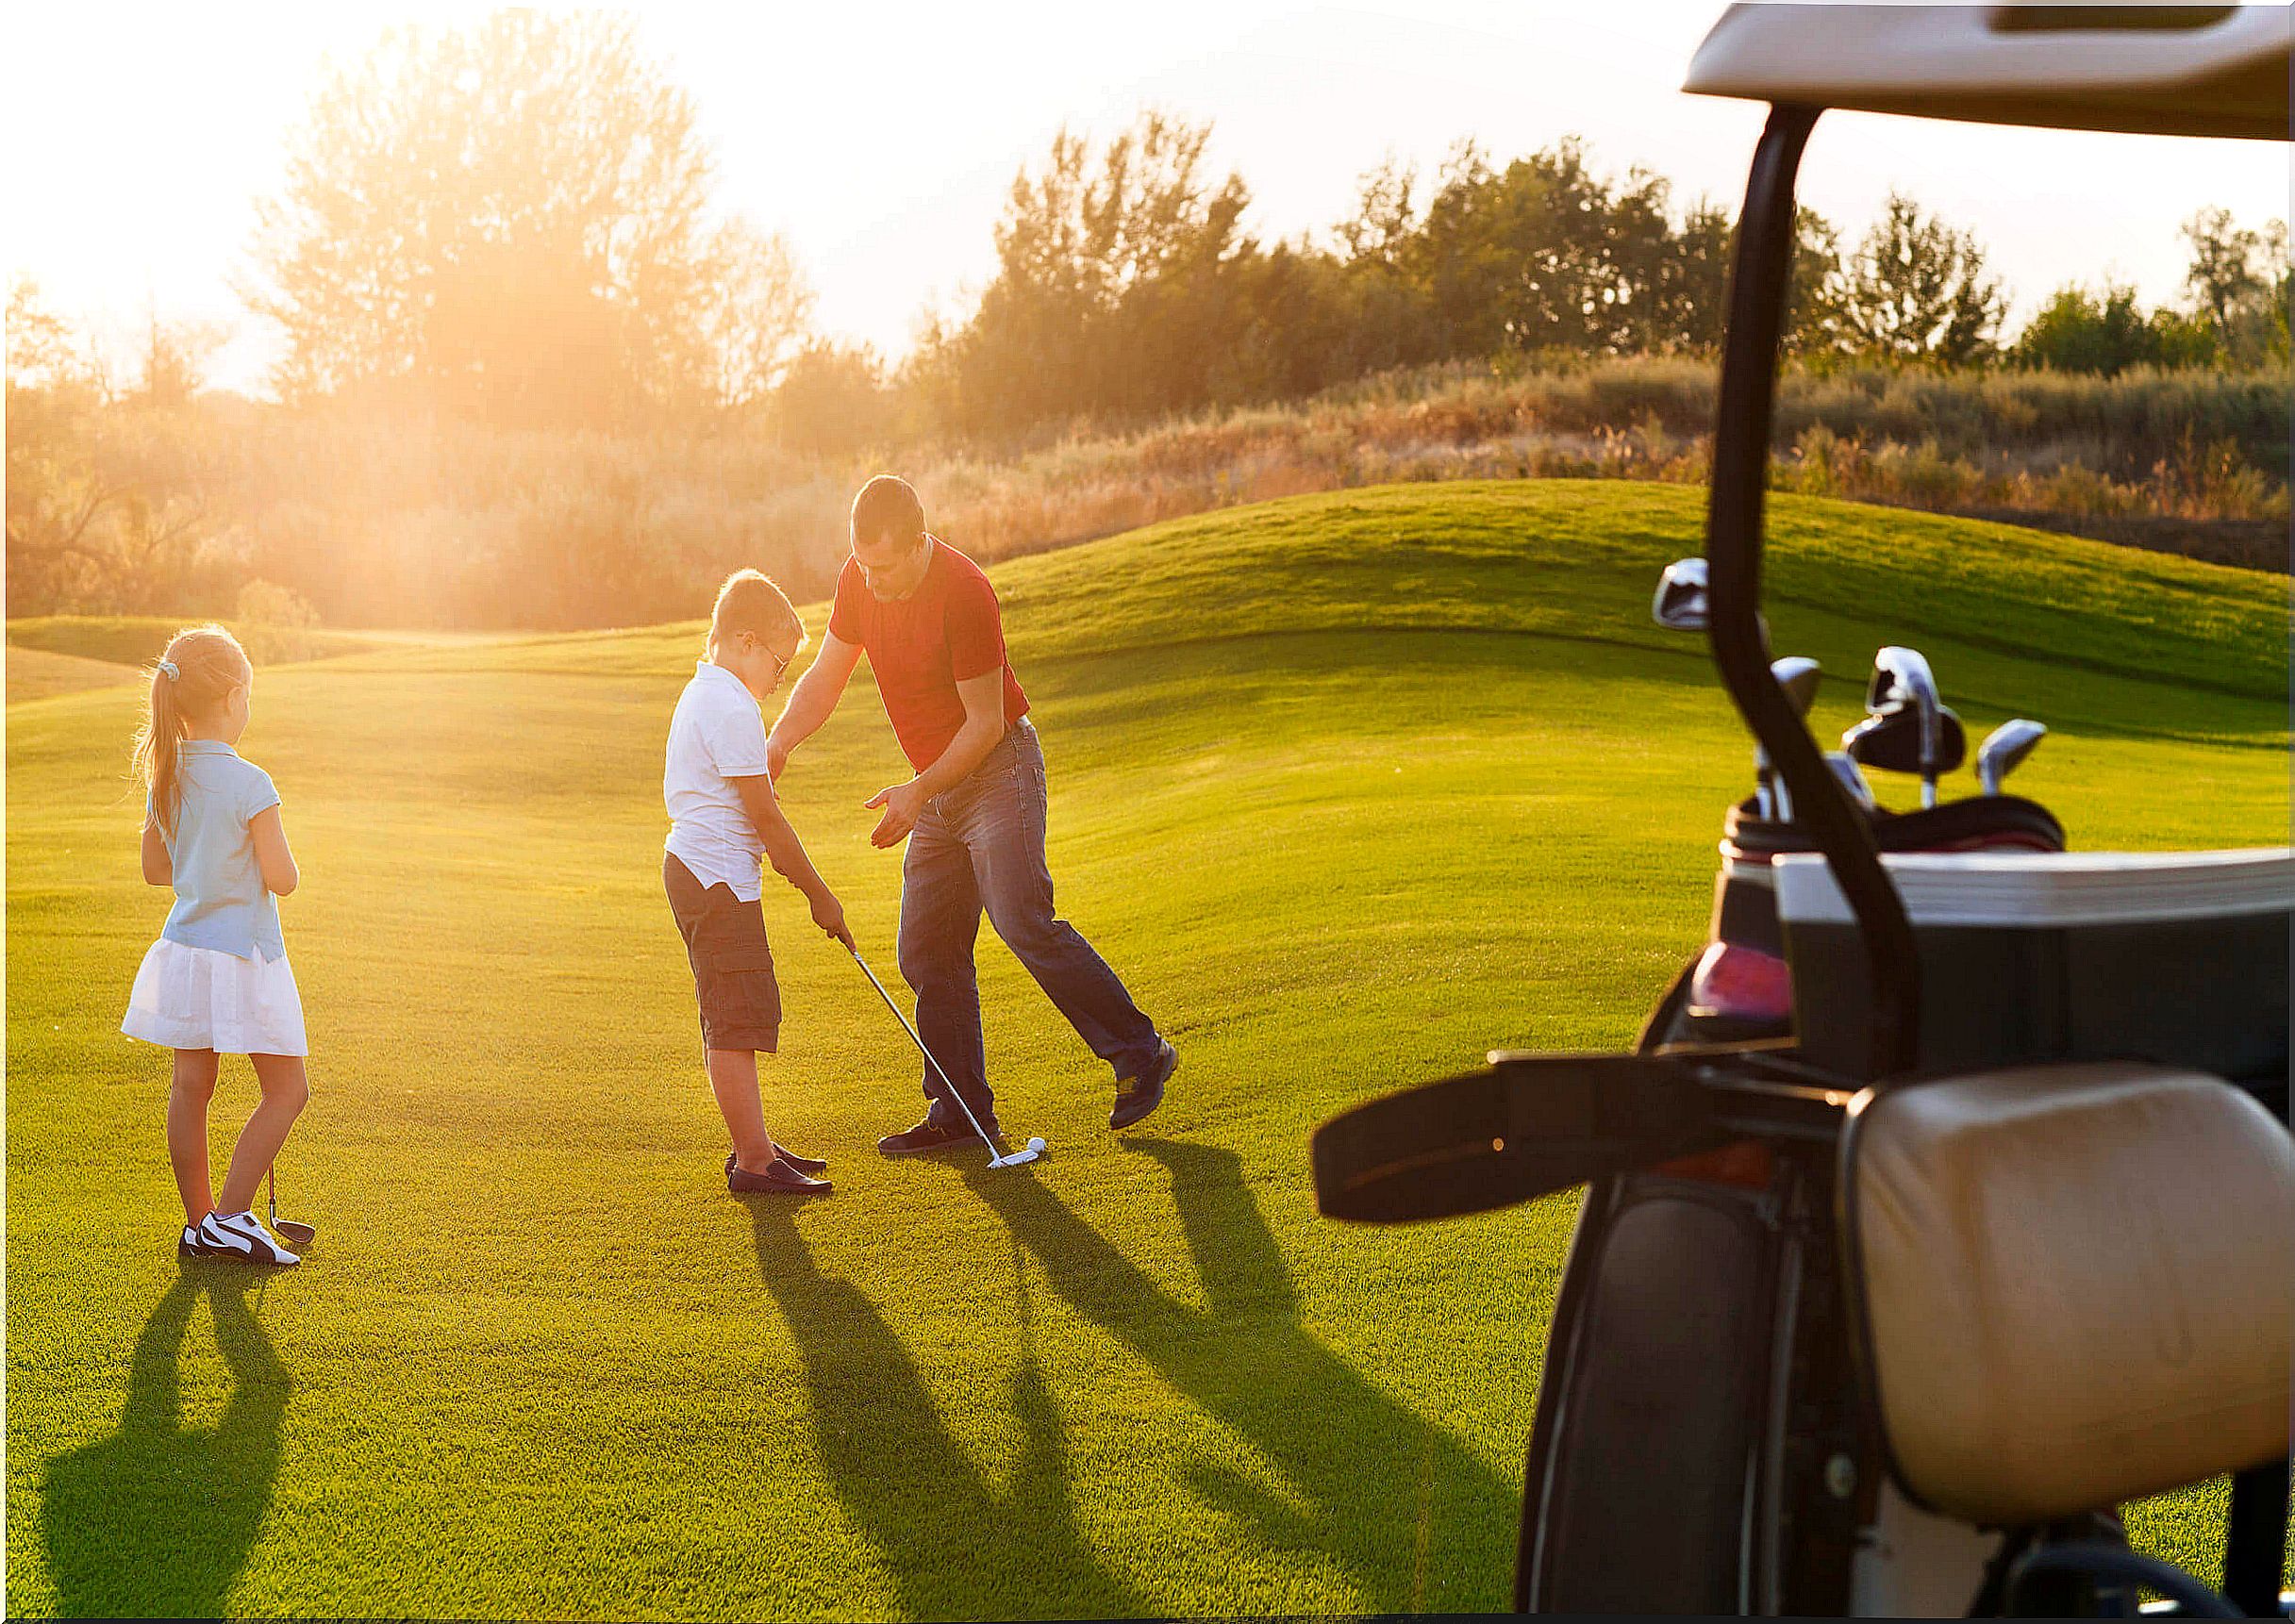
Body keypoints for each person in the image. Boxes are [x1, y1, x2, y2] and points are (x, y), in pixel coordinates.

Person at [767, 475, 1178, 1154]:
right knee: (926, 949)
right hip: (937, 789)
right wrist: (779, 740)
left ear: (920, 541)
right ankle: (959, 1112)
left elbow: (985, 725)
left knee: (1021, 919)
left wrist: (917, 792)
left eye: (882, 567)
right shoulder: (858, 578)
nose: (868, 581)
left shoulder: (963, 591)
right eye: (860, 565)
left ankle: (1141, 1051)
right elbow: (825, 676)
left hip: (997, 770)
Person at [123, 625, 310, 1267]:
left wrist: (208, 865)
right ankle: (230, 1217)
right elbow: (283, 878)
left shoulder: (166, 774)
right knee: (287, 1090)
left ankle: (200, 1222)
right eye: (249, 696)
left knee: (190, 1086)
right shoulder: (251, 781)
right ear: (232, 697)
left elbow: (156, 869)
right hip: (244, 958)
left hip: (187, 951)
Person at [664, 569, 853, 1196]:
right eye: (778, 664)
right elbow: (766, 819)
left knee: (732, 1012)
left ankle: (756, 1143)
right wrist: (821, 897)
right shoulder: (729, 704)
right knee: (735, 1017)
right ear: (746, 642)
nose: (778, 682)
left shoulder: (709, 693)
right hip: (714, 877)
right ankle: (752, 1161)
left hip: (706, 872)